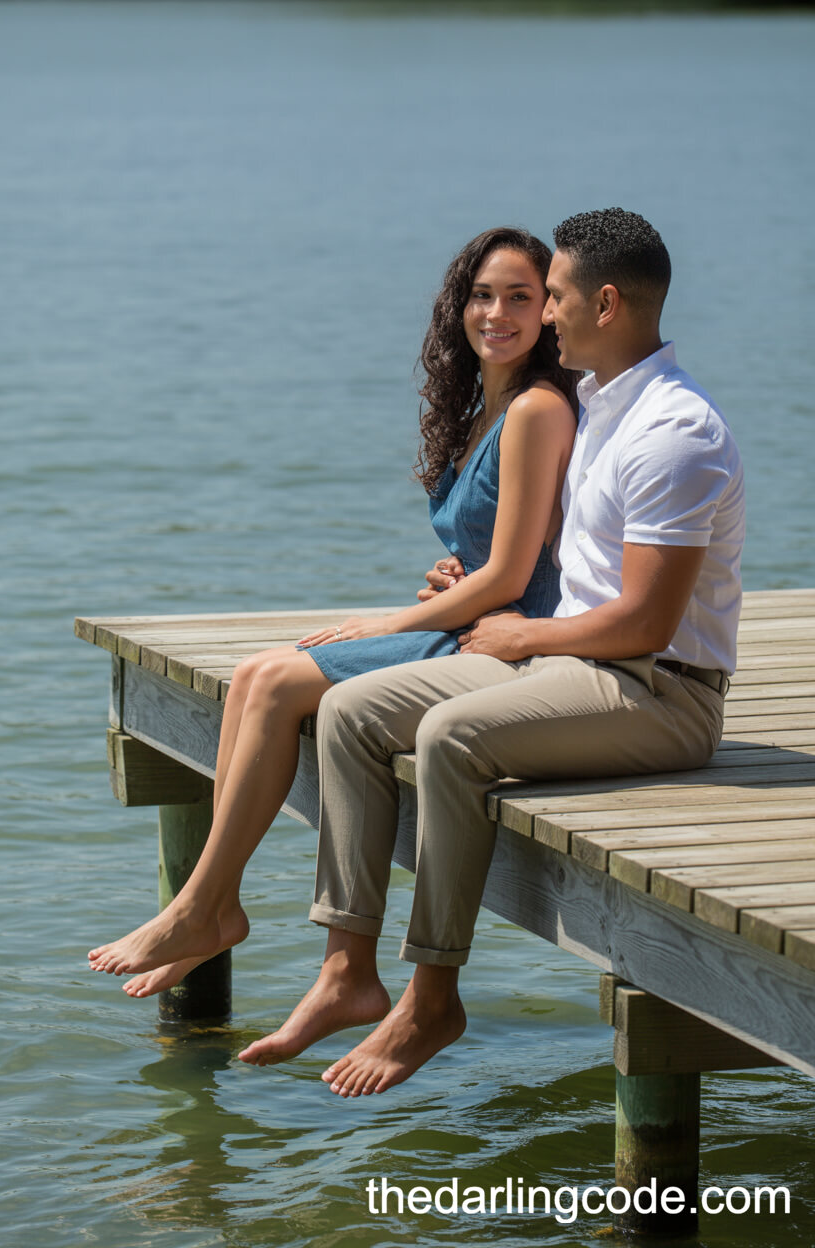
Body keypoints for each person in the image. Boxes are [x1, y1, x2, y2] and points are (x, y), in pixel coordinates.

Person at [240, 207, 745, 1096]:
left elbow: (645, 625)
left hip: (661, 694)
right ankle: (347, 971)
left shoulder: (675, 433)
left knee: (451, 737)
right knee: (351, 712)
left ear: (606, 303)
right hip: (571, 667)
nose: (543, 315)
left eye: (553, 296)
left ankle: (433, 998)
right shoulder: (598, 407)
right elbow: (551, 556)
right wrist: (471, 581)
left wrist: (523, 632)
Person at [87, 226, 579, 997]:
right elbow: (494, 551)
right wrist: (450, 580)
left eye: (520, 297)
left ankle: (203, 911)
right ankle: (208, 907)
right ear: (458, 306)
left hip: (503, 643)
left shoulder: (535, 410)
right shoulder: (483, 409)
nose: (497, 313)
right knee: (255, 675)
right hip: (466, 619)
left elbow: (513, 575)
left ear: (548, 311)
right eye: (483, 295)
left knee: (276, 684)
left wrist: (390, 622)